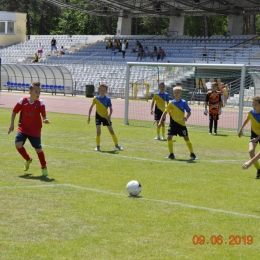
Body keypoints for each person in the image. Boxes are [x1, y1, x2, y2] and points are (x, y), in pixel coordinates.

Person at [7, 82, 50, 176]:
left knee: (38, 149)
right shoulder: (22, 101)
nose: (38, 93)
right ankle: (28, 159)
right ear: (30, 92)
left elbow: (44, 115)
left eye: (39, 91)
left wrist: (45, 119)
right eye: (36, 91)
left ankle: (44, 167)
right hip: (23, 128)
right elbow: (14, 111)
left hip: (35, 130)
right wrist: (12, 124)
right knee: (18, 144)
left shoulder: (40, 103)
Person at [158, 86, 198, 160]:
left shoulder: (183, 102)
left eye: (177, 92)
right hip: (173, 124)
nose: (176, 94)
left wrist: (186, 117)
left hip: (181, 125)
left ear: (180, 93)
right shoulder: (171, 103)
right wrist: (160, 121)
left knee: (186, 138)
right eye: (175, 92)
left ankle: (192, 153)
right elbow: (165, 112)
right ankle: (171, 154)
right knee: (169, 137)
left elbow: (189, 112)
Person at [87, 83, 123, 151]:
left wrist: (109, 116)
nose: (102, 91)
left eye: (104, 90)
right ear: (99, 90)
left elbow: (111, 109)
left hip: (106, 117)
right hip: (98, 116)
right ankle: (97, 146)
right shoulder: (95, 99)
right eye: (101, 90)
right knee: (98, 132)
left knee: (111, 131)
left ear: (106, 91)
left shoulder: (108, 99)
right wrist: (88, 117)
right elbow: (91, 108)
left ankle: (117, 145)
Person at [238, 96, 260, 178]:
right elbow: (247, 120)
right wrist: (241, 129)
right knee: (251, 151)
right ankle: (259, 169)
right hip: (254, 134)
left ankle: (251, 163)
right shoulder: (251, 113)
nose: (254, 106)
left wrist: (258, 138)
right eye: (252, 104)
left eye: (256, 105)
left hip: (258, 136)